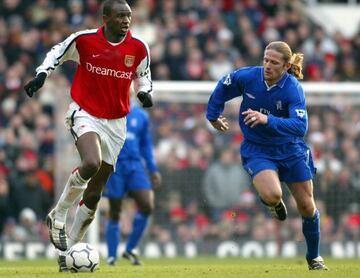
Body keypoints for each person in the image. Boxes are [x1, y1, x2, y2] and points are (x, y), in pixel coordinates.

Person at [24, 0, 153, 272]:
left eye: (128, 16)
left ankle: (68, 251)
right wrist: (42, 74)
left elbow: (144, 74)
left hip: (117, 122)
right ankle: (58, 214)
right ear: (105, 18)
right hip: (85, 112)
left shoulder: (138, 48)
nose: (126, 21)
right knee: (91, 163)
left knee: (95, 193)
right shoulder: (84, 41)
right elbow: (57, 52)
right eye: (120, 16)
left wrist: (145, 91)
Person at [206, 41, 328, 271]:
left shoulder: (293, 88)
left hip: (290, 150)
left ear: (286, 66)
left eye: (274, 62)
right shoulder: (248, 77)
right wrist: (213, 115)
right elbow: (224, 85)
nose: (267, 66)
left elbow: (300, 126)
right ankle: (272, 203)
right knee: (273, 195)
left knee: (306, 207)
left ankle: (314, 257)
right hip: (258, 148)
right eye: (265, 60)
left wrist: (267, 120)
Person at [103, 101, 161, 266]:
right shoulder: (109, 110)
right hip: (115, 165)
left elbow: (146, 145)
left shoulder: (141, 115)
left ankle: (129, 249)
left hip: (135, 166)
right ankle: (112, 256)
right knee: (114, 210)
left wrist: (153, 168)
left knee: (147, 205)